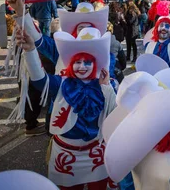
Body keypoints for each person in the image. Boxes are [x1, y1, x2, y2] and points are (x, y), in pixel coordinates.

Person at [16, 27, 116, 190]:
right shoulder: (62, 83)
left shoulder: (105, 84)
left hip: (95, 154)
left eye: (87, 62)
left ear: (95, 64)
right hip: (65, 154)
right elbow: (40, 80)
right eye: (78, 62)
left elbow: (114, 114)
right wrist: (31, 51)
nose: (82, 66)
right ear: (71, 64)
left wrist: (107, 87)